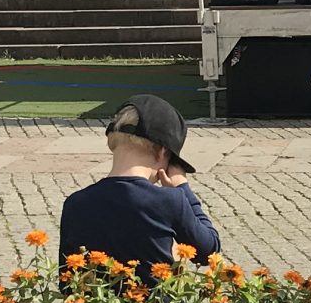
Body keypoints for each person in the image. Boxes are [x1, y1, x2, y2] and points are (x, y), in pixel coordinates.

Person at [59, 95, 221, 274]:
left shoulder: (75, 203)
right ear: (161, 152)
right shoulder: (169, 200)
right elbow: (209, 251)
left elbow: (67, 279)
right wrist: (182, 188)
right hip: (155, 301)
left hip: (94, 302)